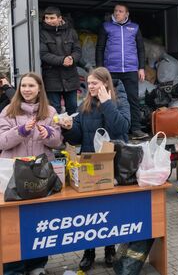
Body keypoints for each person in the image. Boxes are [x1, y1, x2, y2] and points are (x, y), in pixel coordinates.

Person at [60, 67, 130, 271]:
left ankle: (110, 249)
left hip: (114, 164)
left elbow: (122, 128)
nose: (90, 87)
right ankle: (88, 251)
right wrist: (69, 128)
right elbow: (77, 137)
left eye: (94, 83)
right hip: (90, 165)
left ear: (105, 83)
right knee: (89, 211)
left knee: (109, 211)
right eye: (89, 83)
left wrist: (107, 103)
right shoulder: (85, 105)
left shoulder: (119, 101)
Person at [0, 73, 61, 275]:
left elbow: (57, 142)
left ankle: (37, 265)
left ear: (39, 88)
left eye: (31, 85)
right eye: (23, 85)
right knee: (13, 225)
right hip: (14, 177)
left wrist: (49, 134)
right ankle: (14, 268)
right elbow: (2, 142)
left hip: (40, 177)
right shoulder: (8, 111)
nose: (26, 89)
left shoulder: (50, 111)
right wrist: (20, 131)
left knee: (39, 223)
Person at [95, 4, 148, 140]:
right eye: (116, 11)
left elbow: (141, 49)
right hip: (111, 70)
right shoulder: (106, 26)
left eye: (121, 11)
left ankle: (135, 128)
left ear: (127, 14)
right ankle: (108, 128)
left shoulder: (134, 28)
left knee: (133, 99)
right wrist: (100, 70)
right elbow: (99, 48)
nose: (117, 13)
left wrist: (141, 67)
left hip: (130, 69)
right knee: (109, 100)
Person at [39, 6, 82, 115]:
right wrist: (62, 60)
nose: (48, 21)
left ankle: (72, 132)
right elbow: (44, 54)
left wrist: (72, 58)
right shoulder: (41, 33)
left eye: (52, 18)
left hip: (71, 77)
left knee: (72, 108)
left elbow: (77, 51)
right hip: (51, 78)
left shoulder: (71, 32)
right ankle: (56, 132)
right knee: (54, 110)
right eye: (46, 18)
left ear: (59, 18)